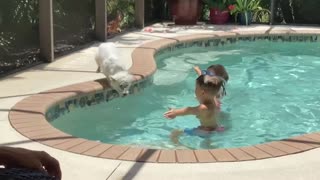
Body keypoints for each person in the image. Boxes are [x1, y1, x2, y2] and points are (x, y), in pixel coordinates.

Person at [164, 74, 225, 143]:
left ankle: (179, 147)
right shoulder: (215, 100)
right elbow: (209, 88)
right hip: (217, 128)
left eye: (196, 88)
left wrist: (175, 112)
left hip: (205, 131)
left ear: (202, 92)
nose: (195, 90)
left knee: (175, 133)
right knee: (207, 144)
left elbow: (188, 110)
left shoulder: (203, 108)